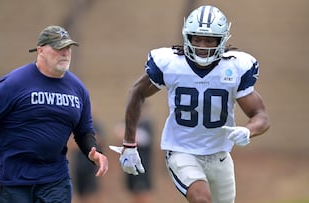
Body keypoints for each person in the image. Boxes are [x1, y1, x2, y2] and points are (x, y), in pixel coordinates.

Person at [110, 5, 270, 203]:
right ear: (188, 38)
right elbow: (137, 92)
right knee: (201, 198)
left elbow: (260, 115)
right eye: (197, 39)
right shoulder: (171, 64)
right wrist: (129, 144)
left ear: (221, 40)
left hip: (220, 155)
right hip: (182, 151)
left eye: (209, 39)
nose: (202, 45)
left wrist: (248, 131)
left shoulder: (235, 67)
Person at [0, 25, 108, 203]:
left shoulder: (78, 89)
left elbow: (84, 131)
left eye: (68, 48)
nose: (65, 53)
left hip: (55, 180)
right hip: (12, 180)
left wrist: (93, 152)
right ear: (40, 50)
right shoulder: (15, 83)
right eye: (58, 48)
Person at [113, 103, 154, 203]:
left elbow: (142, 138)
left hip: (142, 165)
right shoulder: (129, 122)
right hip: (130, 165)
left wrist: (125, 132)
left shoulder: (146, 124)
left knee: (142, 193)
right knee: (133, 193)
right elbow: (117, 131)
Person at [71, 120, 104, 203]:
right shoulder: (76, 126)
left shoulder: (95, 126)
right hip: (79, 166)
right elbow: (70, 144)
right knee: (80, 193)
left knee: (91, 192)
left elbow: (99, 140)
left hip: (91, 166)